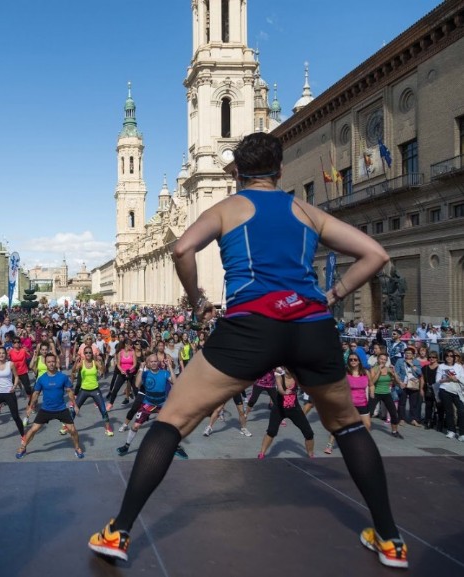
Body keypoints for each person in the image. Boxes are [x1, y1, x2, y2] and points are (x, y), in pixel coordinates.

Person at [88, 132, 406, 569]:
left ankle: (119, 531)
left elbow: (182, 249)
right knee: (348, 425)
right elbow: (375, 253)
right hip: (311, 326)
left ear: (236, 172)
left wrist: (196, 299)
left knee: (173, 420)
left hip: (251, 326)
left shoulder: (227, 207)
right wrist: (332, 294)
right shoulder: (308, 212)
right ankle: (390, 540)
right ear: (279, 171)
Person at [17, 353, 84, 459]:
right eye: (49, 362)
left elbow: (69, 391)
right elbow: (36, 394)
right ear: (46, 363)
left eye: (53, 361)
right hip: (46, 409)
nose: (51, 364)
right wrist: (30, 407)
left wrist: (75, 405)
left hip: (61, 409)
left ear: (56, 362)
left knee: (73, 430)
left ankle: (77, 448)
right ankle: (23, 447)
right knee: (33, 429)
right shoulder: (42, 378)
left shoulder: (62, 377)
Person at [257, 368, 315, 458]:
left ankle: (311, 455)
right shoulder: (279, 375)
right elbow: (279, 387)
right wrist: (284, 392)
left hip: (294, 409)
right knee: (271, 432)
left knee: (309, 433)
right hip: (279, 409)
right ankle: (262, 453)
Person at [324, 354, 371, 454]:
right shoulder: (345, 373)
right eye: (350, 360)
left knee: (367, 425)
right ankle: (330, 444)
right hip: (348, 404)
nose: (353, 361)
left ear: (359, 361)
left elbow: (371, 385)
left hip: (363, 403)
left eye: (355, 359)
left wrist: (371, 394)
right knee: (340, 425)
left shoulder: (366, 373)